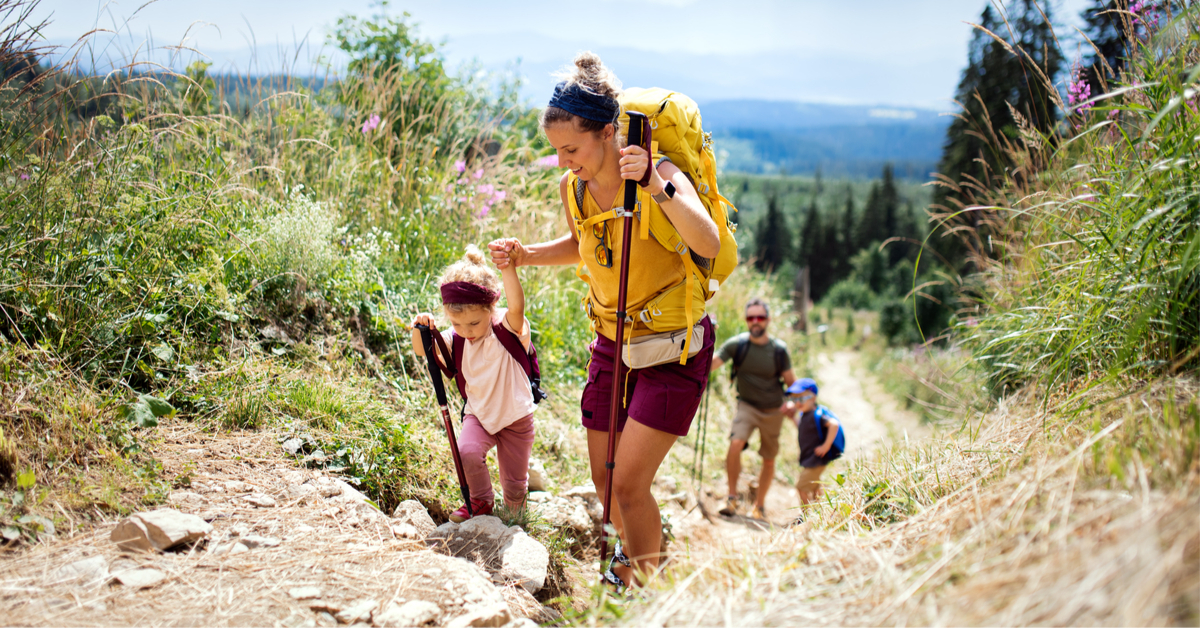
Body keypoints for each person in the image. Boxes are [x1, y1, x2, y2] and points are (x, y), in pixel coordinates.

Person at [489, 52, 719, 590]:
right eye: (557, 151)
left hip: (672, 348)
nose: (565, 161)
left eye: (572, 149)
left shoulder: (659, 173)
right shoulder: (575, 187)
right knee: (605, 481)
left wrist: (658, 188)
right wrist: (526, 255)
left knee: (632, 484)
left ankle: (646, 591)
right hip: (612, 342)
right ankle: (638, 561)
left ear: (609, 132)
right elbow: (584, 244)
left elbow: (706, 239)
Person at [411, 245, 536, 522]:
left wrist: (508, 269)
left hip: (515, 416)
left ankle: (516, 516)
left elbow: (517, 306)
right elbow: (423, 350)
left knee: (515, 484)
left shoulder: (506, 327)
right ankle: (480, 501)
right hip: (479, 413)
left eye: (474, 323)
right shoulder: (456, 339)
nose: (466, 331)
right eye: (457, 324)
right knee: (467, 451)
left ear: (491, 308)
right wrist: (419, 327)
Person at [709, 298, 797, 520]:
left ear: (768, 320)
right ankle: (732, 498)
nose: (755, 322)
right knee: (735, 443)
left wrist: (793, 402)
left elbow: (792, 385)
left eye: (760, 317)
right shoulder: (737, 344)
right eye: (751, 318)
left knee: (769, 458)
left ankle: (759, 506)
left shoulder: (779, 350)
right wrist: (705, 338)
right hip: (747, 406)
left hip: (774, 410)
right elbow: (711, 363)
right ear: (746, 320)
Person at [785, 378, 844, 505]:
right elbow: (803, 429)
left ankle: (807, 515)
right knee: (815, 486)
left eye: (801, 399)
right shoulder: (805, 415)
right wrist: (792, 419)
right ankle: (820, 511)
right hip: (810, 458)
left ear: (812, 398)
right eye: (794, 400)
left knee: (801, 487)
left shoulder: (815, 414)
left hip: (816, 459)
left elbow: (834, 425)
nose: (797, 403)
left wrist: (826, 446)